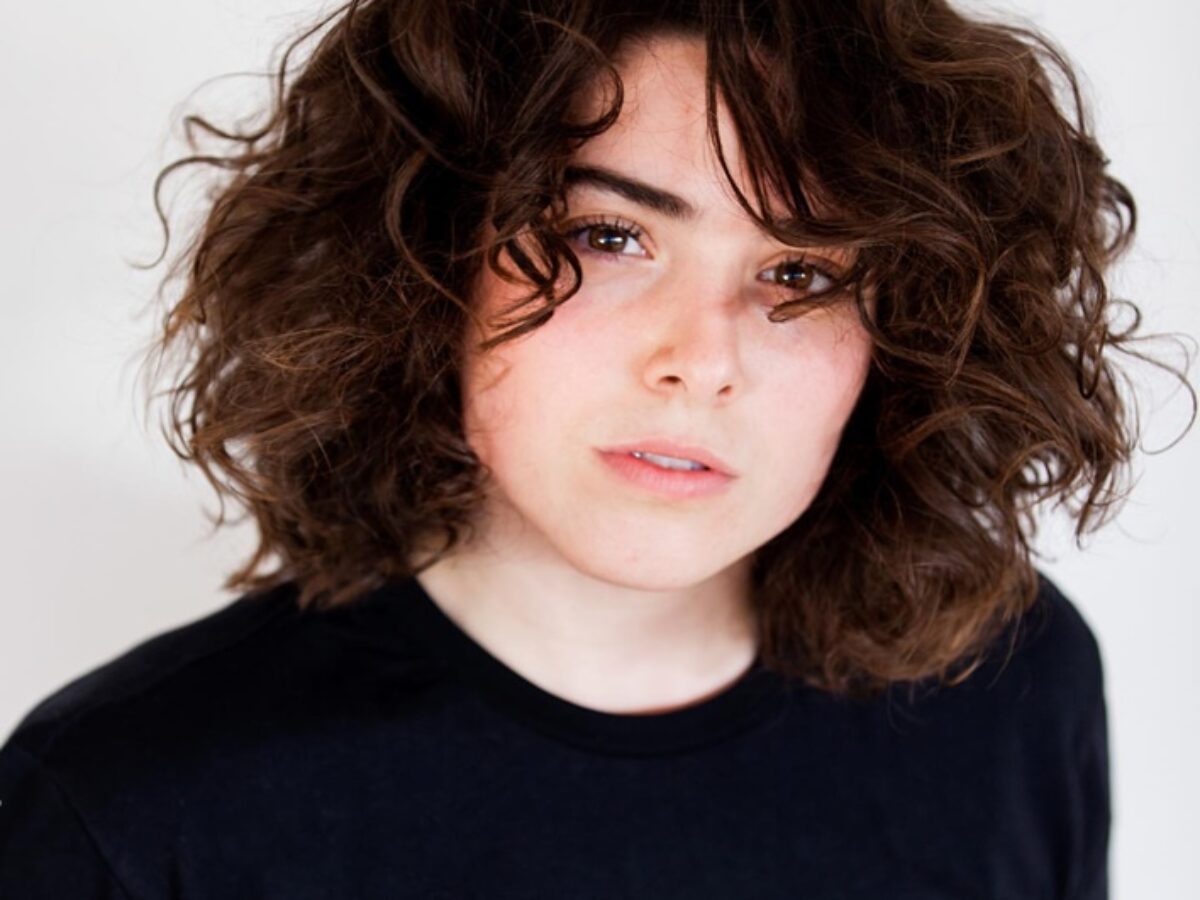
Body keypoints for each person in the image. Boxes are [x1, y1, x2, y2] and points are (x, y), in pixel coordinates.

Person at [0, 0, 1190, 897]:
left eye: (800, 271)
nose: (702, 359)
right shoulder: (128, 804)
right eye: (610, 236)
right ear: (424, 263)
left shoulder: (1007, 687)